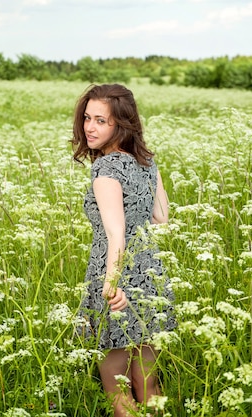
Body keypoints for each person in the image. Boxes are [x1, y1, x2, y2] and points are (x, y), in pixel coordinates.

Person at [71, 84, 177, 417]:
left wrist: (111, 283)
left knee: (117, 393)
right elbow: (161, 217)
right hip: (150, 276)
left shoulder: (104, 170)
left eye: (101, 120)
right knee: (149, 385)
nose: (90, 127)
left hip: (114, 280)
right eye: (87, 118)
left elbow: (115, 234)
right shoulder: (147, 161)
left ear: (121, 123)